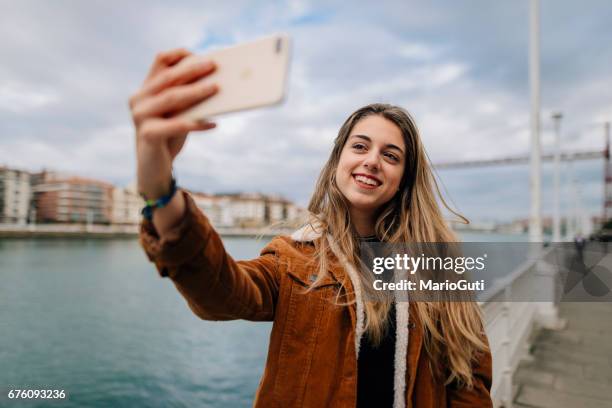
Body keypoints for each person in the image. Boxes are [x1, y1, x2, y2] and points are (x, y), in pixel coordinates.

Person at [130, 48, 493, 408]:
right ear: (338, 161)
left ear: (404, 179)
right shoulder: (294, 259)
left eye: (391, 155)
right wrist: (160, 189)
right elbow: (220, 292)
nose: (371, 161)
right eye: (360, 146)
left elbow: (469, 379)